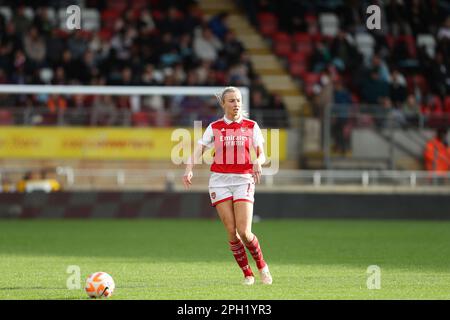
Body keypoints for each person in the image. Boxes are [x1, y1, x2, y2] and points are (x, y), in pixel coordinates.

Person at [182, 86, 272, 285]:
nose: (236, 104)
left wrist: (258, 160)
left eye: (238, 100)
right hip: (220, 181)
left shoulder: (251, 126)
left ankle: (262, 266)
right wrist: (189, 168)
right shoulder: (214, 127)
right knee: (231, 231)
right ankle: (247, 274)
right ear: (223, 104)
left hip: (243, 180)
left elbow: (262, 153)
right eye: (231, 100)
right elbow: (198, 150)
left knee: (244, 231)